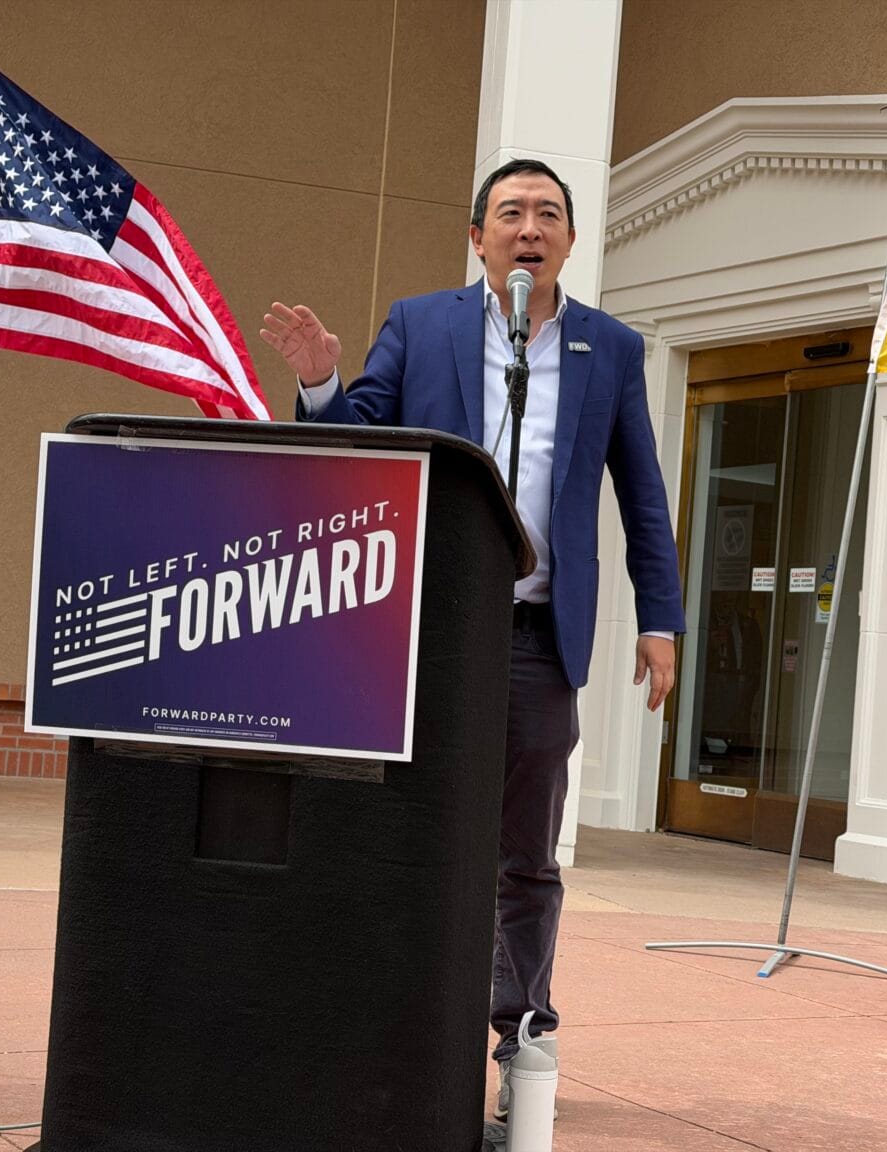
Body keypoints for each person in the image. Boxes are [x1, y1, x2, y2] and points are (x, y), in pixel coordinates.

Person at [260, 158, 684, 1117]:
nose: (528, 228)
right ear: (476, 235)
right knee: (394, 824)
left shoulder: (609, 349)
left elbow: (642, 492)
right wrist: (325, 382)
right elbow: (361, 440)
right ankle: (388, 1015)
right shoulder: (423, 324)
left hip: (538, 635)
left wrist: (659, 618)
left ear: (570, 240)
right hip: (425, 630)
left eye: (547, 215)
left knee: (524, 846)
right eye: (509, 214)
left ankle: (520, 1029)